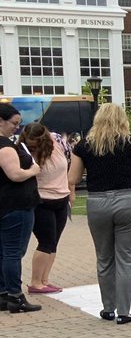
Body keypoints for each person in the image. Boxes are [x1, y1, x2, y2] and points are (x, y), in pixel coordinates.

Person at [67, 104, 131, 323]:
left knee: (104, 258)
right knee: (127, 258)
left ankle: (108, 308)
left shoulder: (84, 145)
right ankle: (124, 312)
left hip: (98, 202)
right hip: (129, 200)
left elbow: (73, 178)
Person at [21, 124, 75, 294]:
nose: (33, 148)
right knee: (46, 242)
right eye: (30, 145)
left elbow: (69, 165)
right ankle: (35, 282)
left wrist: (71, 192)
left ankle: (45, 280)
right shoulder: (22, 152)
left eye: (36, 145)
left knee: (54, 243)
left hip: (61, 198)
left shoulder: (57, 141)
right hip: (41, 201)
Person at [0, 103, 42, 313]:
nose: (16, 128)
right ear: (1, 121)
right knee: (13, 252)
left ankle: (3, 294)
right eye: (14, 124)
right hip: (15, 205)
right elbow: (15, 174)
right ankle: (15, 296)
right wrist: (33, 169)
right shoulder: (5, 146)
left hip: (4, 205)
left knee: (4, 251)